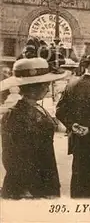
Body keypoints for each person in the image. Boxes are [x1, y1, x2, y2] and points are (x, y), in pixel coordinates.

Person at [1, 57, 69, 199]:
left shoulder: (36, 108)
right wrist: (26, 190)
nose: (46, 88)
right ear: (33, 87)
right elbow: (13, 157)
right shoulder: (15, 115)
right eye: (44, 84)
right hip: (29, 188)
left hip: (44, 180)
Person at [55, 55, 90, 198]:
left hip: (76, 139)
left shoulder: (71, 85)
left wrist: (72, 125)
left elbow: (59, 111)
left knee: (78, 174)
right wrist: (88, 127)